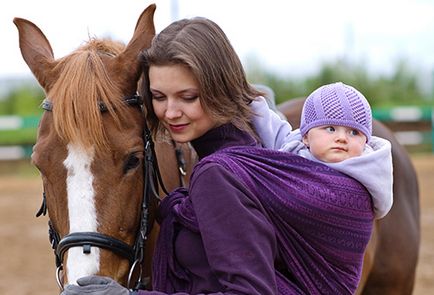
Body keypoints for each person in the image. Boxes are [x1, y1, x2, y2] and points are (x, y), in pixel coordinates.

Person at [61, 17, 374, 295]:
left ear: (219, 88)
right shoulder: (254, 146)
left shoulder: (220, 173)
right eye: (158, 96)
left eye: (188, 97)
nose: (170, 112)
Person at [251, 82, 393, 219]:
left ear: (365, 143)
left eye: (354, 132)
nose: (342, 138)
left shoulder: (370, 168)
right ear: (305, 137)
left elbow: (382, 204)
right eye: (330, 129)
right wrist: (253, 102)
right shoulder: (295, 148)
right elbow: (275, 131)